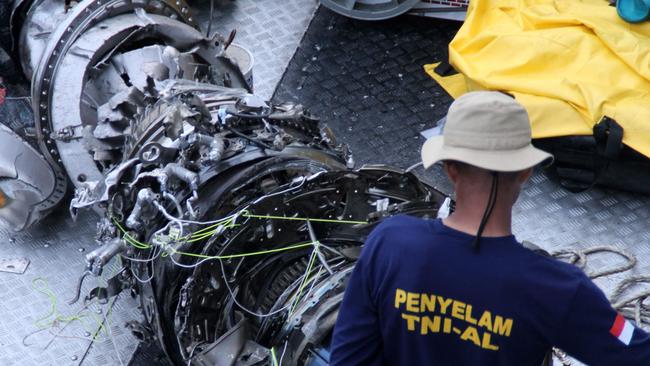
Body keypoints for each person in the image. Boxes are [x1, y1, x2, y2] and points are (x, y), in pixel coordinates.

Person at [330, 91, 650, 365]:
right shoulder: (558, 288)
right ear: (525, 172)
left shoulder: (390, 243)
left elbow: (349, 358)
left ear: (450, 168)